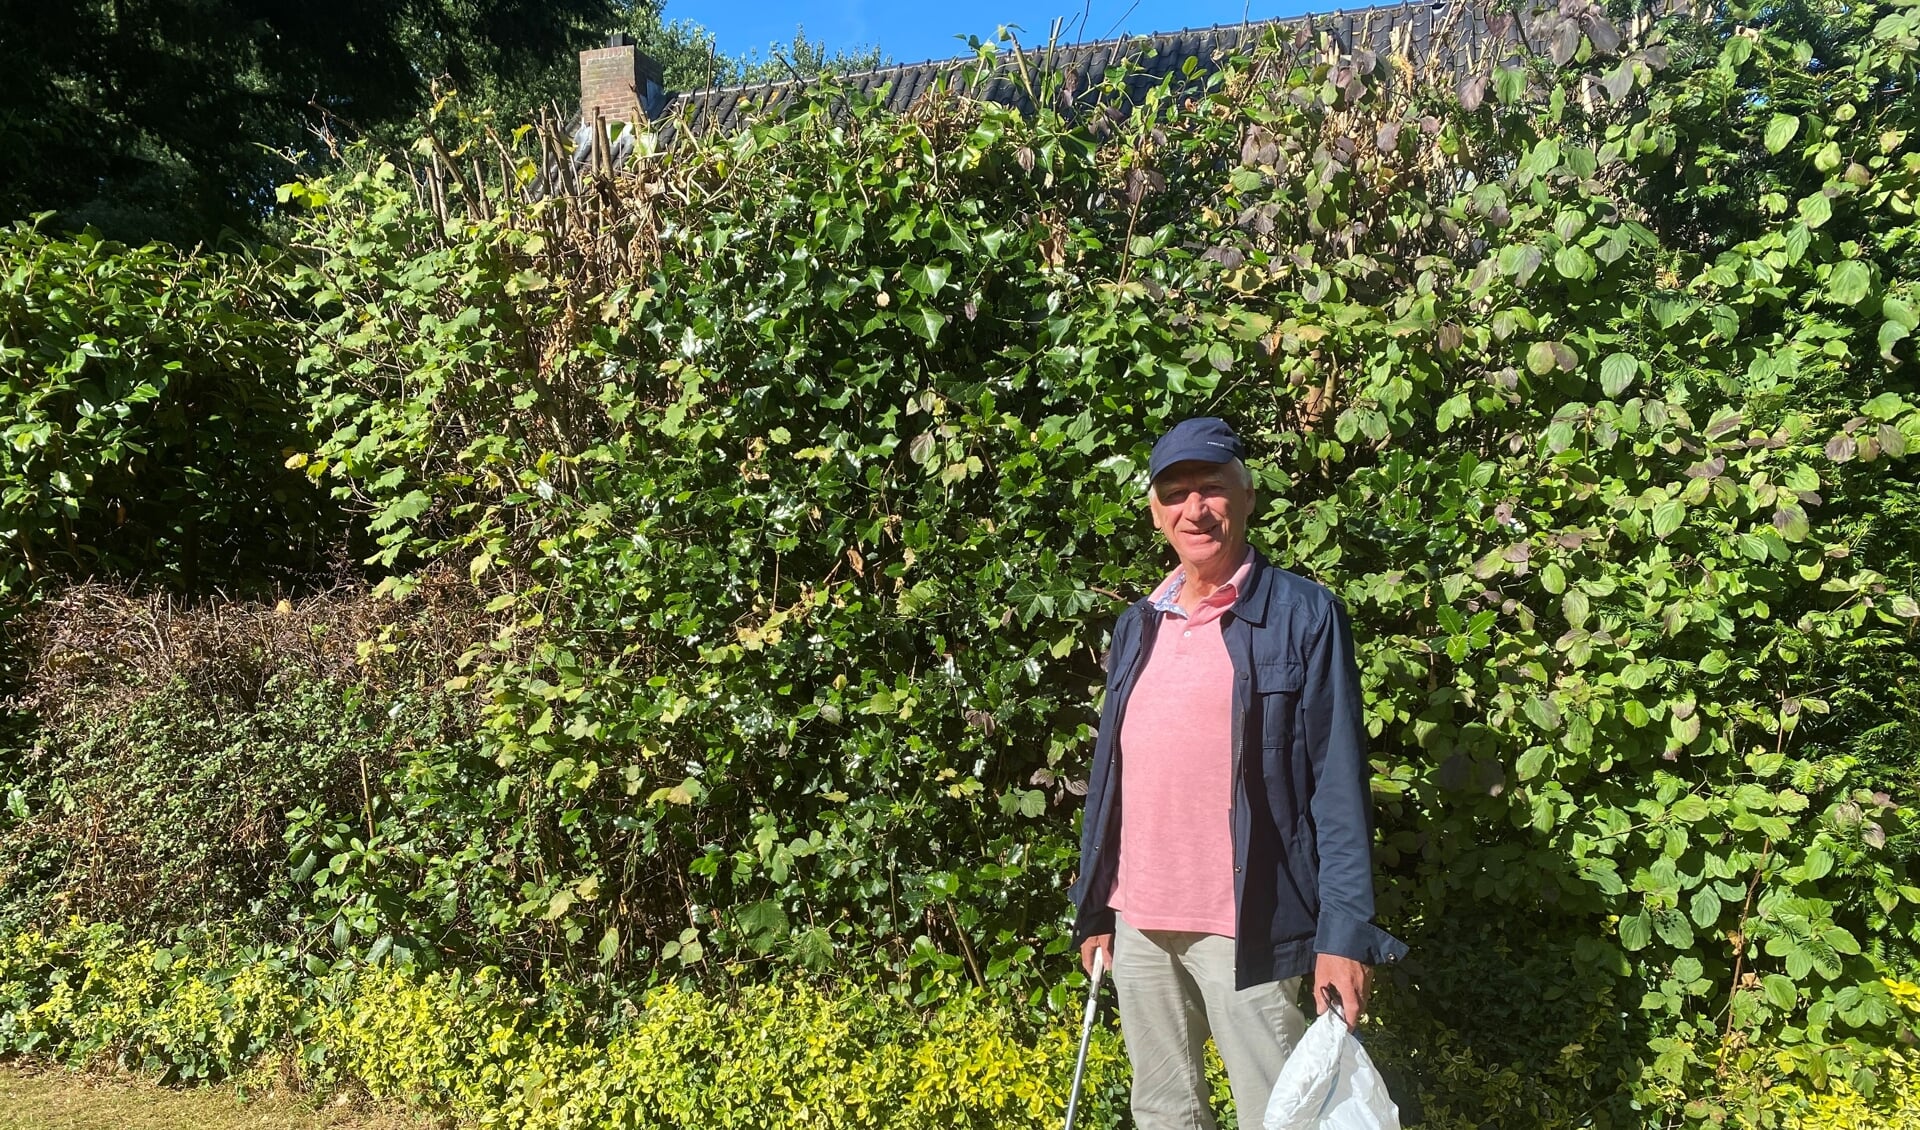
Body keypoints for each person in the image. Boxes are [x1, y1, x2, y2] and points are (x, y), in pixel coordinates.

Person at [1067, 416, 1407, 1129]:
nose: (1197, 509)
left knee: (1280, 1114)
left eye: (1213, 489)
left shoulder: (1305, 615)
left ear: (1246, 497)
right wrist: (1098, 907)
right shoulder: (1139, 624)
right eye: (1177, 493)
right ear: (1157, 512)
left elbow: (1337, 786)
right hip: (1139, 922)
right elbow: (1114, 778)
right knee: (1163, 1113)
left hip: (1245, 926)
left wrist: (1344, 935)